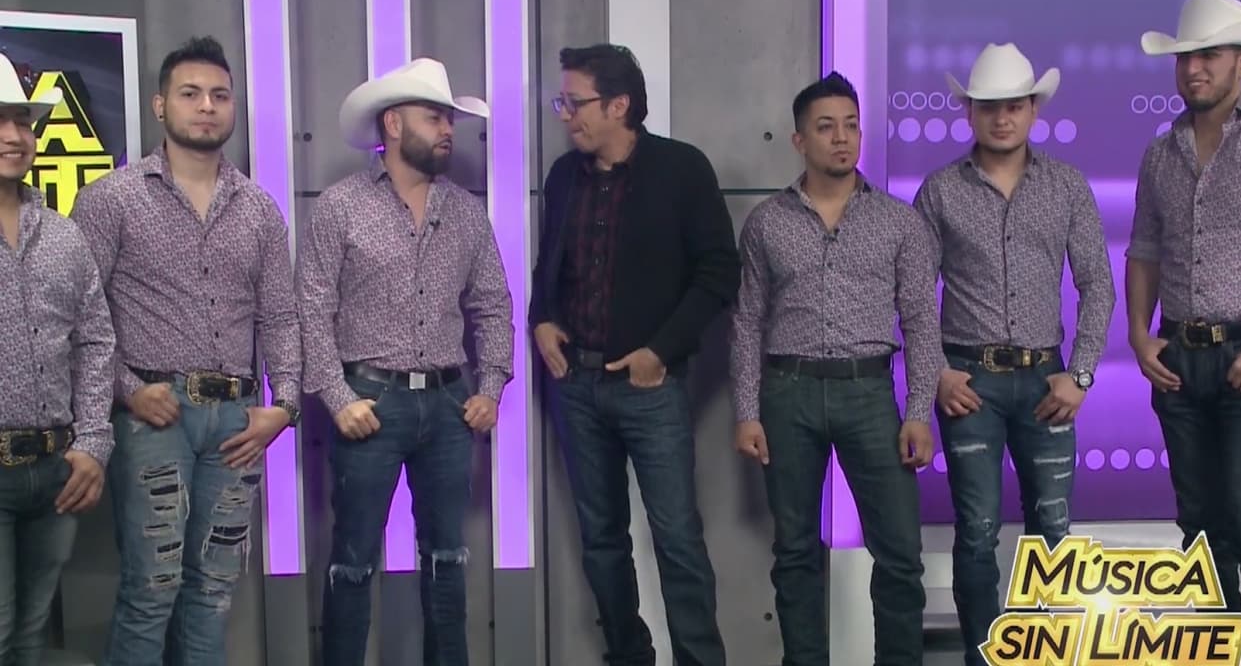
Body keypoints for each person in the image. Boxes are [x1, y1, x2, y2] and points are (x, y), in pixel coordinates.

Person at [69, 36, 302, 666]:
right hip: (154, 415)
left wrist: (285, 407)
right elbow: (80, 318)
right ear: (160, 106)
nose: (206, 107)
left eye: (219, 96)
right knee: (152, 590)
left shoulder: (258, 208)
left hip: (238, 422)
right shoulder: (112, 198)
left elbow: (281, 316)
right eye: (191, 94)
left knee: (212, 594)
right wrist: (126, 390)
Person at [298, 57, 512, 666]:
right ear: (393, 125)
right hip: (370, 400)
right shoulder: (340, 206)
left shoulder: (465, 211)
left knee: (447, 559)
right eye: (434, 117)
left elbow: (494, 303)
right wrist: (338, 399)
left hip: (448, 404)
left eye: (449, 118)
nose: (448, 130)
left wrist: (491, 386)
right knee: (353, 561)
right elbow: (311, 308)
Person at [530, 43, 738, 666]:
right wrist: (542, 319)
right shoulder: (563, 176)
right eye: (562, 101)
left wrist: (660, 351)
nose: (565, 114)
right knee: (601, 542)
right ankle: (629, 655)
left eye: (575, 102)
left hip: (651, 388)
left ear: (619, 105)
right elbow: (549, 266)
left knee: (677, 539)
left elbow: (719, 272)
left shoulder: (681, 168)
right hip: (576, 385)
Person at [912, 43, 1115, 665]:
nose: (1002, 118)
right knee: (975, 531)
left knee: (1053, 530)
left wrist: (1081, 375)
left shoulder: (1067, 185)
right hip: (968, 382)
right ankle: (984, 657)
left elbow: (1099, 284)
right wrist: (938, 372)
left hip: (1046, 380)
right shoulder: (940, 190)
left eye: (1015, 106)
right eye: (989, 106)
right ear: (969, 112)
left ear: (1033, 110)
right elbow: (914, 293)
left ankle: (1041, 653)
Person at [730, 71, 939, 666]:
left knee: (899, 553)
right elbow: (746, 321)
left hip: (869, 394)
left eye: (851, 126)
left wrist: (918, 411)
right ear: (800, 140)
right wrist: (747, 411)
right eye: (826, 128)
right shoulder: (767, 222)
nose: (842, 138)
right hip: (787, 394)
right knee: (795, 552)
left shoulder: (899, 221)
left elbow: (922, 322)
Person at [1126, 0, 1241, 662]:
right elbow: (1144, 250)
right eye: (1186, 57)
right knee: (1199, 530)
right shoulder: (1160, 153)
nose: (1194, 69)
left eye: (1209, 56)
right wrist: (1139, 335)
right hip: (1181, 361)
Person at [0, 53, 115, 666]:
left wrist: (93, 443)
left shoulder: (64, 235)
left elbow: (95, 341)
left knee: (31, 636)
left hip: (54, 471)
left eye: (21, 121)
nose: (12, 136)